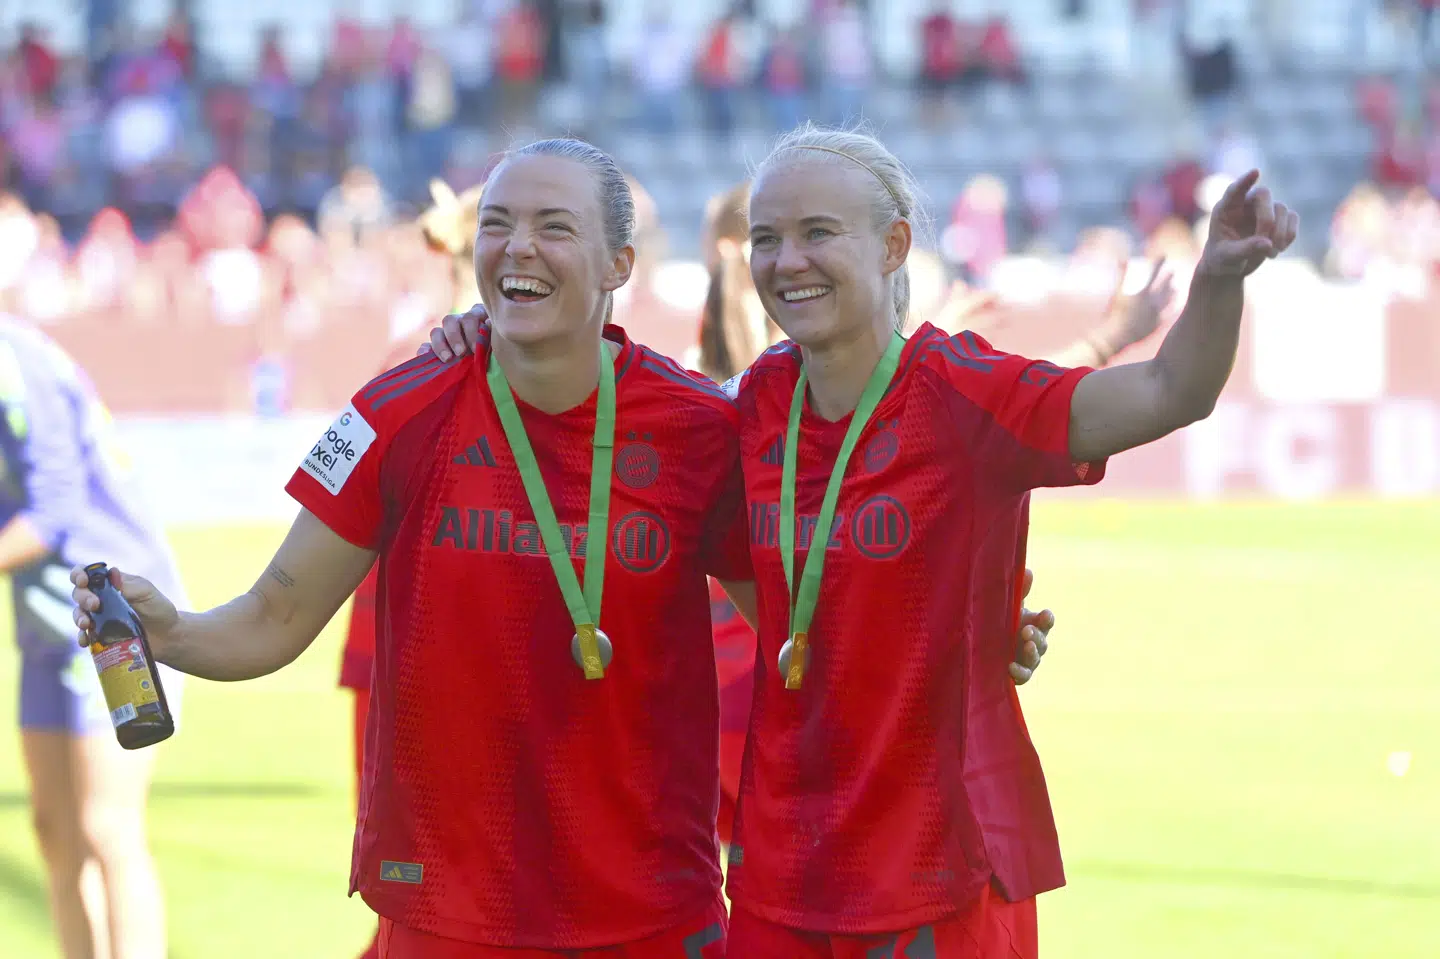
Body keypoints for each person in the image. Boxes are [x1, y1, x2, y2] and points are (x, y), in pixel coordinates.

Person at [72, 138, 1050, 958]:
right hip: (444, 906)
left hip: (650, 913)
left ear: (619, 264)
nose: (514, 246)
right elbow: (272, 616)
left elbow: (813, 630)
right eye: (496, 223)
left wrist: (973, 637)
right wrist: (171, 631)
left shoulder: (699, 429)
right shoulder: (400, 406)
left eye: (552, 226)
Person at [717, 127, 1293, 956]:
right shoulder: (754, 404)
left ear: (894, 244)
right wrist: (471, 335)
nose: (786, 260)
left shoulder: (963, 390)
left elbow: (1172, 390)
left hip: (941, 874)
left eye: (816, 232)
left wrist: (1218, 277)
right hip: (785, 870)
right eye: (767, 238)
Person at [2, 314, 185, 959]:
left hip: (111, 614)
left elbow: (53, 511)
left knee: (107, 827)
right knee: (54, 830)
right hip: (45, 622)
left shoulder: (16, 365)